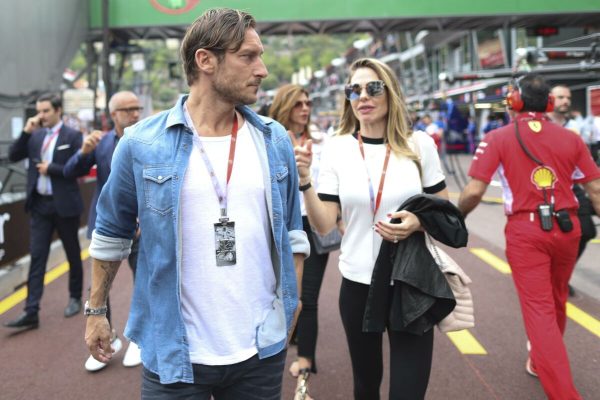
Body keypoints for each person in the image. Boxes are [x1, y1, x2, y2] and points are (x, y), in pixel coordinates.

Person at [84, 8, 309, 399]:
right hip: (173, 351)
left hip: (261, 348)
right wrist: (96, 311)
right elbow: (111, 233)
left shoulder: (274, 140)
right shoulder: (140, 143)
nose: (262, 70)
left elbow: (293, 233)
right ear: (206, 60)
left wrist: (293, 303)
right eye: (248, 56)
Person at [295, 58, 448, 399]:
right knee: (366, 386)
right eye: (354, 90)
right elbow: (323, 227)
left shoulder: (419, 144)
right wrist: (305, 182)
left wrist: (418, 220)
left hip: (411, 283)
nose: (362, 95)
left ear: (390, 92)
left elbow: (446, 212)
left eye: (373, 87)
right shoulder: (337, 147)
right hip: (358, 285)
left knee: (408, 392)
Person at [458, 74, 600, 400]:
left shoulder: (497, 138)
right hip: (568, 229)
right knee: (557, 297)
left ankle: (564, 394)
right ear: (549, 103)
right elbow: (595, 188)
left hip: (526, 231)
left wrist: (458, 216)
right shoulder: (571, 138)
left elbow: (474, 191)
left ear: (513, 102)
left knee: (539, 312)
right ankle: (539, 361)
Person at [64, 91, 143, 371]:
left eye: (138, 108)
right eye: (128, 109)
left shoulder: (147, 139)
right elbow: (70, 172)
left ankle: (137, 338)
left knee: (143, 278)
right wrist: (83, 152)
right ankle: (106, 337)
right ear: (113, 114)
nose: (135, 113)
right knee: (98, 285)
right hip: (105, 225)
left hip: (140, 227)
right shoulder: (101, 143)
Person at [268, 84, 336, 400]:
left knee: (307, 296)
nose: (305, 109)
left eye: (308, 103)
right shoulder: (268, 140)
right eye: (297, 104)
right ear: (284, 106)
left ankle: (305, 359)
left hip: (311, 224)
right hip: (276, 227)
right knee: (272, 291)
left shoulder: (323, 142)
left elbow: (330, 189)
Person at [4, 93, 84, 330]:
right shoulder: (35, 136)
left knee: (72, 252)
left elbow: (78, 169)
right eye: (39, 111)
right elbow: (13, 155)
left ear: (58, 110)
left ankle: (75, 297)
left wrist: (53, 169)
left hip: (64, 205)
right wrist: (26, 131)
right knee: (37, 257)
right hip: (40, 205)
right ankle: (31, 311)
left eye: (46, 111)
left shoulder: (73, 136)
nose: (41, 116)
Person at [547, 84, 598, 297]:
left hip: (574, 186)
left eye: (567, 97)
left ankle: (560, 275)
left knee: (587, 230)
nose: (566, 101)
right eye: (560, 97)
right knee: (548, 237)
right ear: (550, 100)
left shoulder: (576, 126)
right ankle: (548, 276)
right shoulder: (539, 125)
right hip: (546, 189)